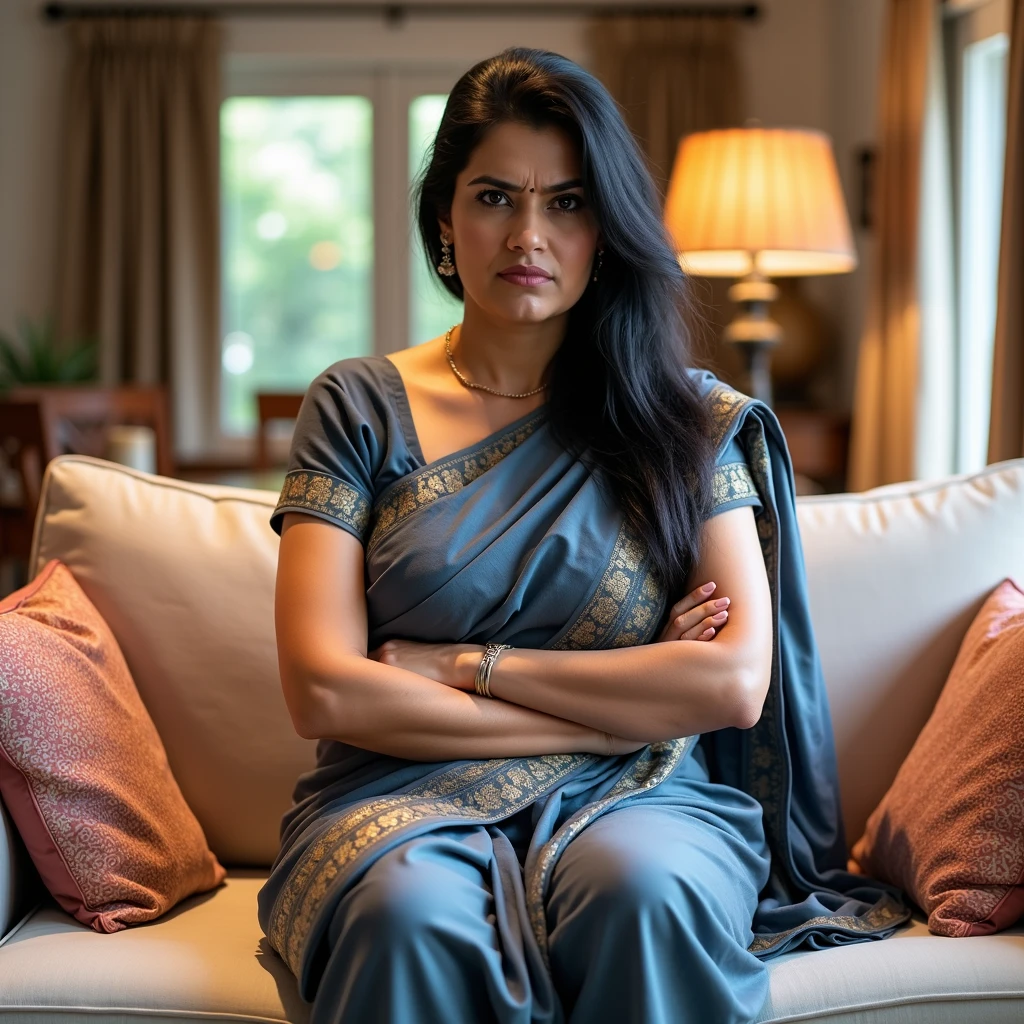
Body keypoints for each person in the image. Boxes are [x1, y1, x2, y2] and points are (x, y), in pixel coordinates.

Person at [257, 47, 908, 1024]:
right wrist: (628, 700)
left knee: (640, 891)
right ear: (443, 218)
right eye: (492, 197)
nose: (528, 233)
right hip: (398, 794)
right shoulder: (356, 407)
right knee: (406, 915)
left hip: (644, 793)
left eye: (565, 201)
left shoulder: (682, 421)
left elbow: (730, 683)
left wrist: (464, 665)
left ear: (605, 228)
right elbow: (323, 687)